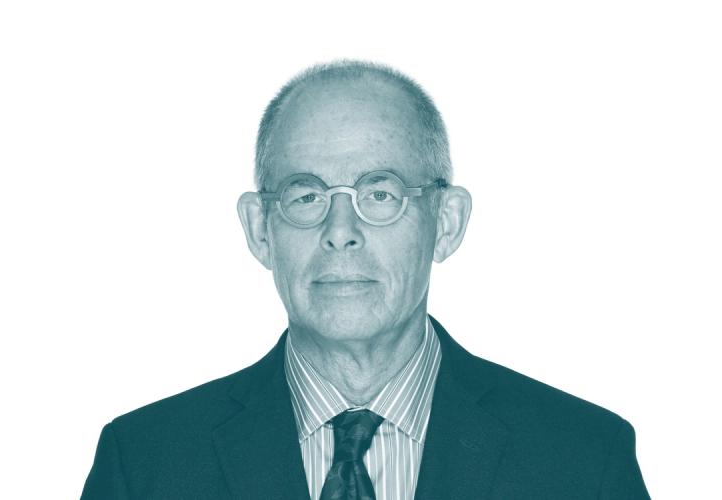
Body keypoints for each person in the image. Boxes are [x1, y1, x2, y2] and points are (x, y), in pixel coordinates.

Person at [81, 61, 650, 500]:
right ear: (259, 229)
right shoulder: (144, 463)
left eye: (380, 193)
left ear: (446, 223)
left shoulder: (583, 458)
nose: (340, 232)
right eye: (306, 196)